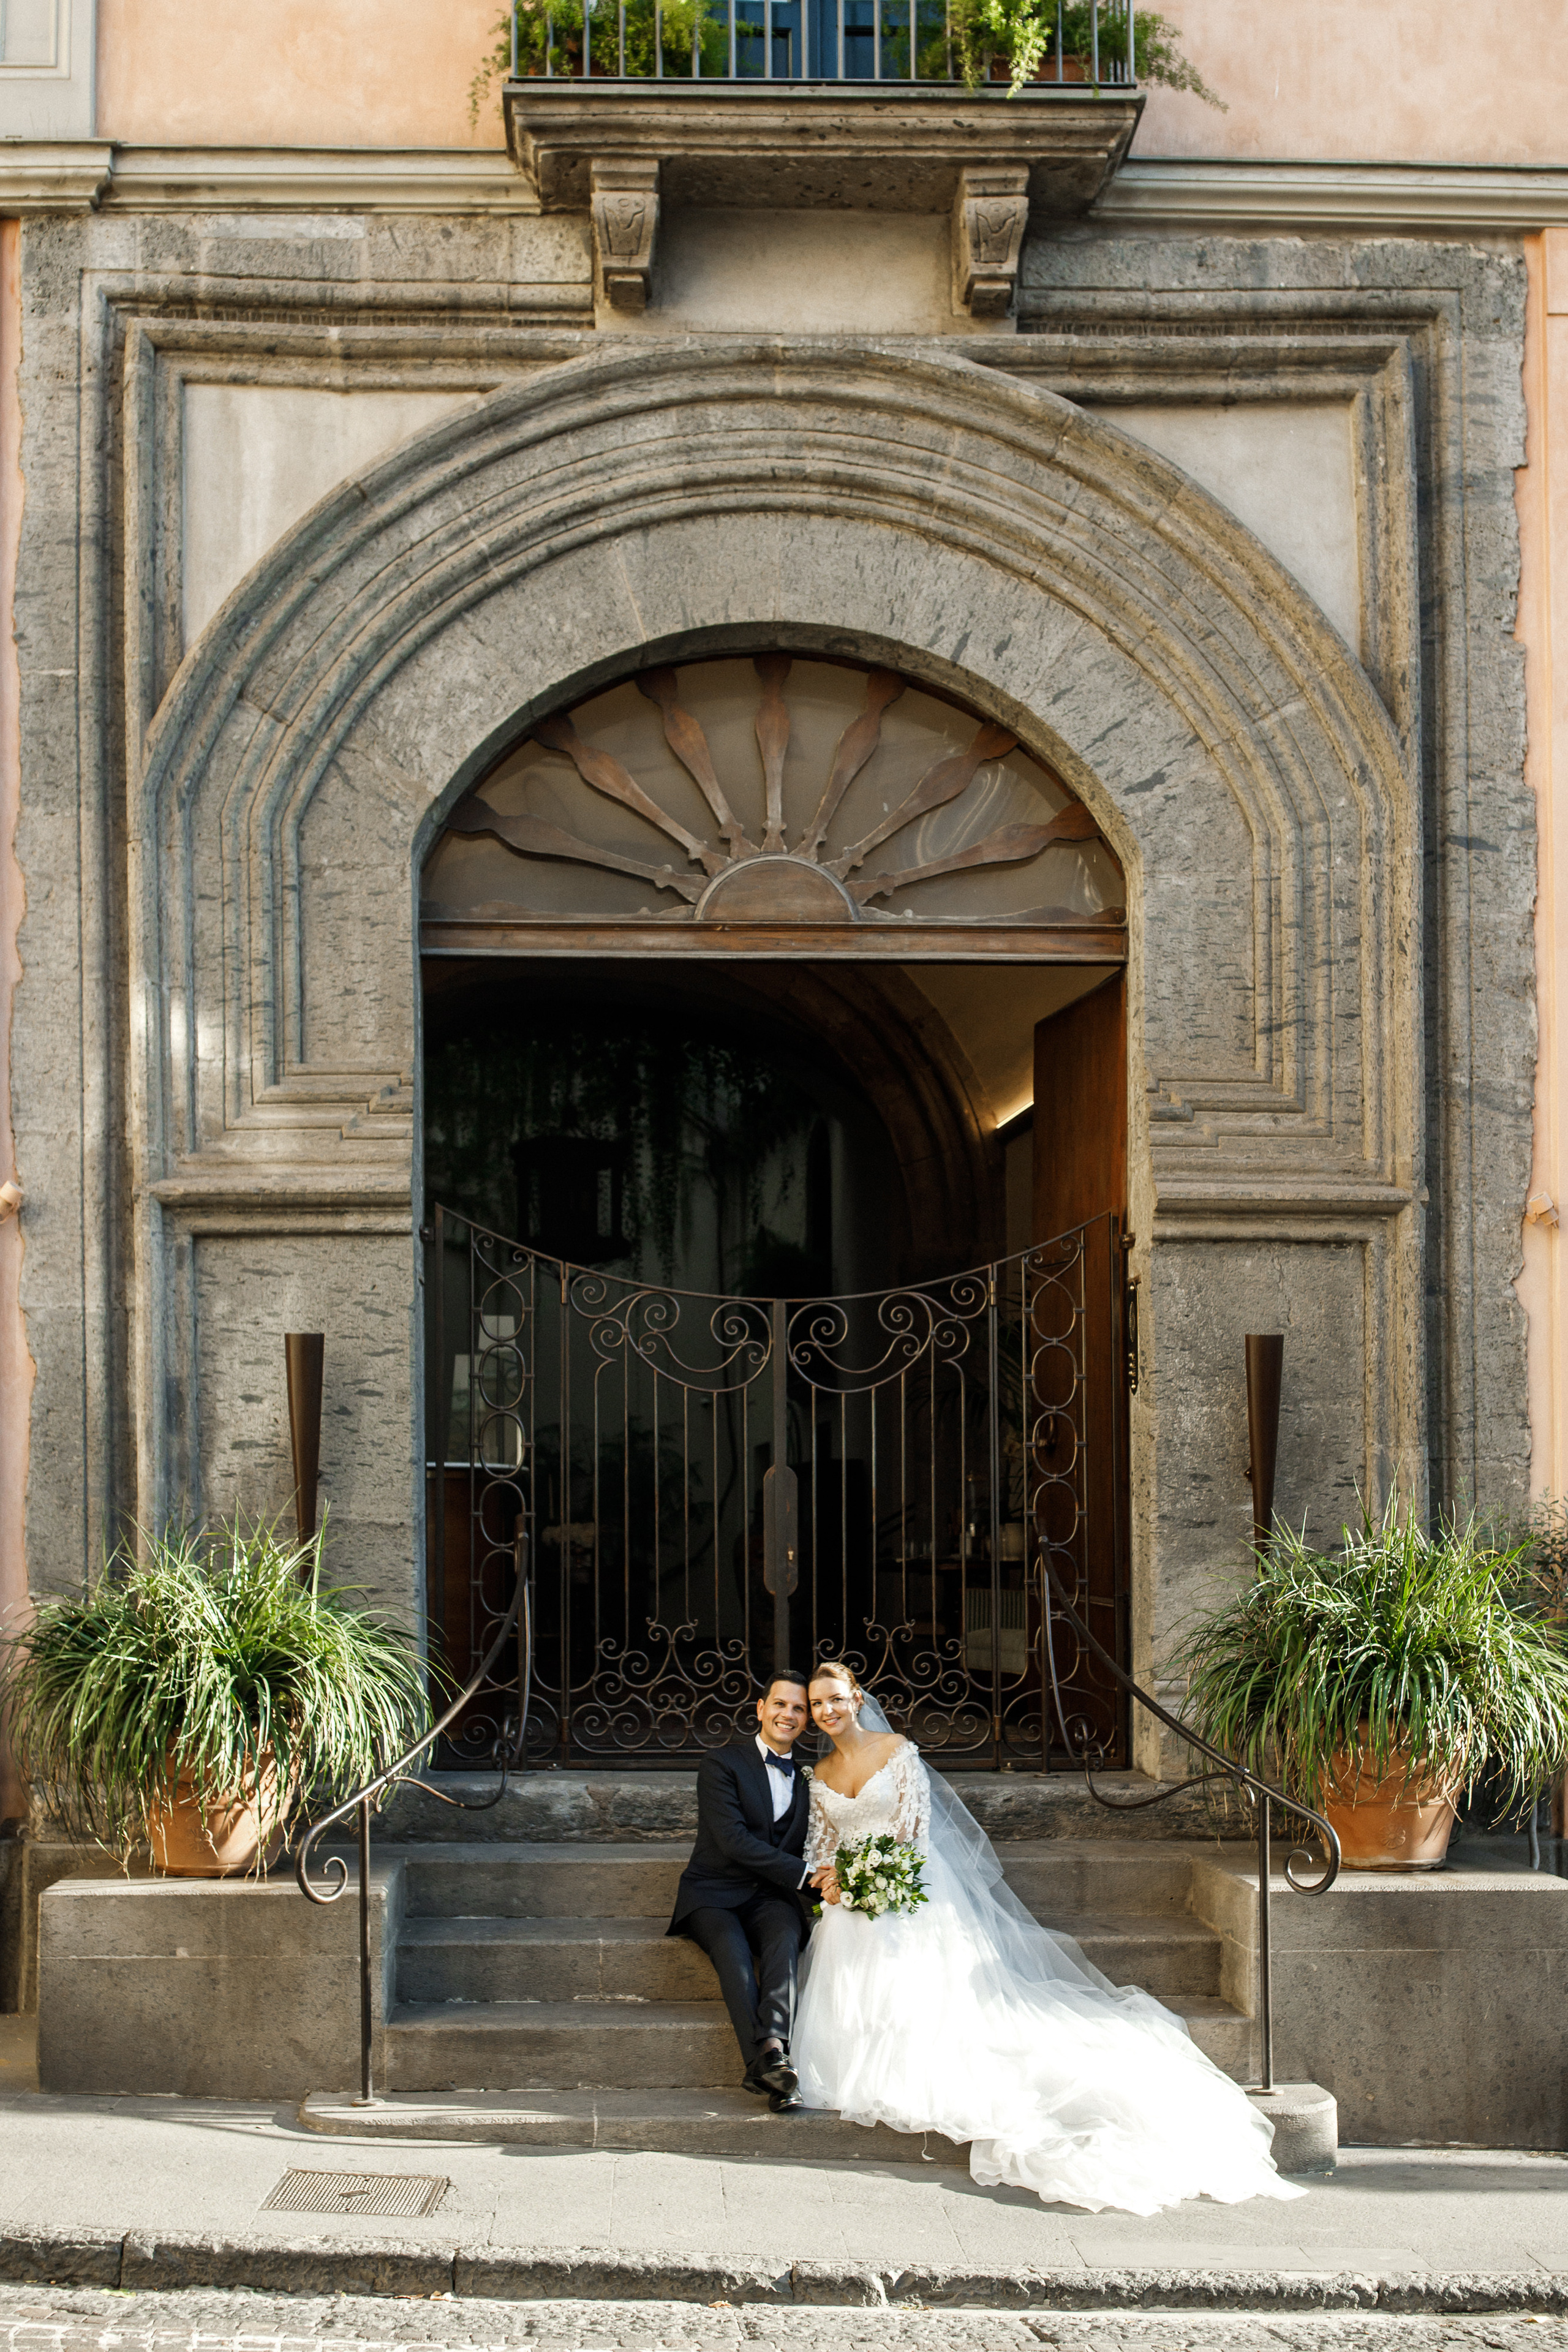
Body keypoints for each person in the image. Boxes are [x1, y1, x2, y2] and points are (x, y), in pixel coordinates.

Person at [792, 1658, 1310, 2216]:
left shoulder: (896, 1751)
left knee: (882, 1928)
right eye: (817, 1704)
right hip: (852, 1892)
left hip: (909, 1882)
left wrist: (867, 1878)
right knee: (841, 1926)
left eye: (835, 1699)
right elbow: (819, 1845)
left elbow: (913, 1832)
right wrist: (832, 1879)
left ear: (856, 1697)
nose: (826, 1712)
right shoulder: (818, 1776)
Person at [666, 1668, 816, 2112]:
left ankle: (771, 2053)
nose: (787, 1714)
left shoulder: (811, 1777)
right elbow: (733, 1841)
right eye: (780, 1704)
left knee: (785, 1940)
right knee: (734, 1957)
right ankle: (774, 2067)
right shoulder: (721, 1763)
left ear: (806, 1720)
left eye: (798, 1708)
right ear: (761, 1709)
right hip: (712, 1892)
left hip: (770, 1895)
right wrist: (808, 1875)